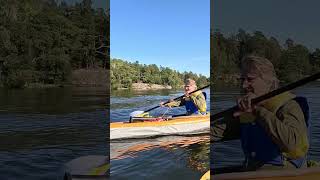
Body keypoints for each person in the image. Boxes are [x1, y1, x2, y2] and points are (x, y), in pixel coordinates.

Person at [211, 55, 310, 173]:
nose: (244, 85)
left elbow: (291, 144)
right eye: (242, 80)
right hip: (252, 171)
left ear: (268, 81)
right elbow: (215, 132)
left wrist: (258, 111)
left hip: (285, 174)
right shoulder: (246, 111)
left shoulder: (289, 106)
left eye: (250, 79)